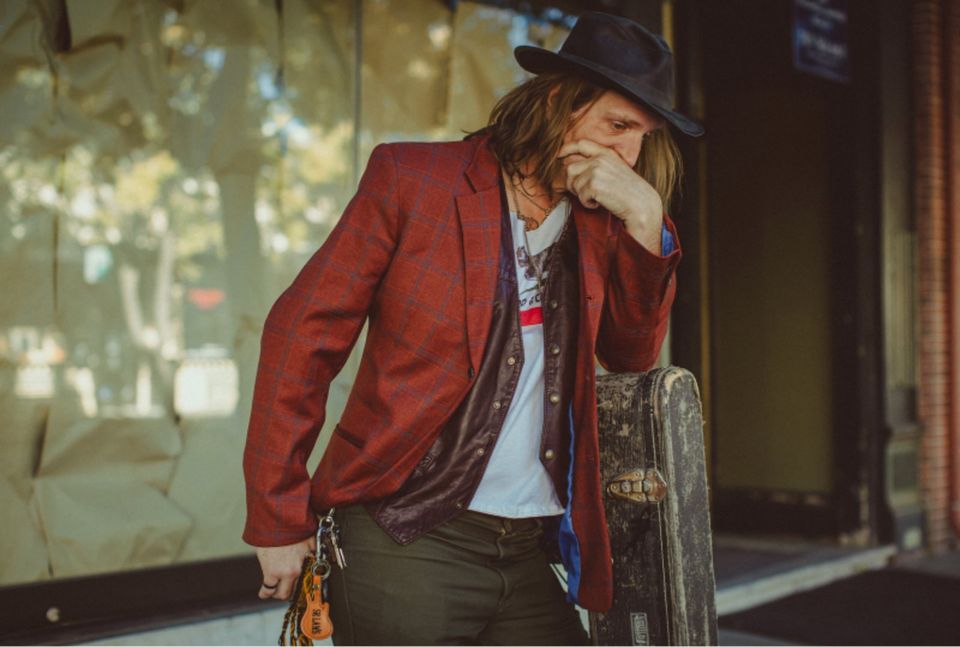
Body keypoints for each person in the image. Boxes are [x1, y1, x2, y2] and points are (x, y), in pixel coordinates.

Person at [242, 11, 703, 645]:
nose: (629, 154)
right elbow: (301, 338)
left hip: (529, 543)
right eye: (617, 125)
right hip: (403, 530)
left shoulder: (606, 222)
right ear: (556, 103)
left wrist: (647, 222)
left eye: (643, 137)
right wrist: (277, 519)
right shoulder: (413, 180)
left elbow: (629, 356)